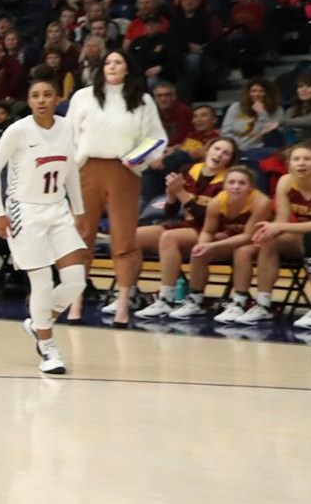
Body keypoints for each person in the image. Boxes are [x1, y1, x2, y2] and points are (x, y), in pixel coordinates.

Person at [0, 79, 91, 375]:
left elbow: (70, 170)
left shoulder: (67, 127)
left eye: (47, 94)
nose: (42, 100)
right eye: (35, 95)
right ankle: (48, 350)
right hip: (24, 210)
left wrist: (79, 209)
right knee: (42, 283)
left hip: (57, 209)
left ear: (58, 98)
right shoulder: (18, 130)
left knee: (75, 281)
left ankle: (38, 322)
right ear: (29, 101)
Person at [68, 49, 166, 325]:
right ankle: (75, 303)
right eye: (108, 62)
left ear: (127, 69)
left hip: (124, 172)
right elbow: (70, 136)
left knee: (124, 239)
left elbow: (157, 138)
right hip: (86, 170)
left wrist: (137, 158)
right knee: (81, 235)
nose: (112, 66)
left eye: (118, 62)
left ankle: (123, 305)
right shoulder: (83, 97)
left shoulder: (142, 100)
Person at [236, 143, 311, 329]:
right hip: (304, 236)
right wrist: (269, 230)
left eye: (307, 159)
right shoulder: (285, 181)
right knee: (270, 240)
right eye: (296, 159)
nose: (301, 163)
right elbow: (282, 221)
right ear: (288, 164)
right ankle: (263, 304)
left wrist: (278, 226)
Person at [142, 136, 240, 319]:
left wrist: (181, 192)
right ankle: (130, 295)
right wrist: (171, 194)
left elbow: (207, 217)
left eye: (226, 153)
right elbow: (170, 211)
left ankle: (166, 299)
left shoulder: (230, 181)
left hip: (215, 230)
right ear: (207, 149)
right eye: (217, 148)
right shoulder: (189, 170)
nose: (219, 154)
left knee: (169, 238)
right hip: (187, 225)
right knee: (133, 237)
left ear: (230, 160)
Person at [190, 166, 273, 325]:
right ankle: (195, 301)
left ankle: (240, 302)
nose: (236, 186)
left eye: (241, 183)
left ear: (250, 187)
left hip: (262, 241)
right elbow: (208, 230)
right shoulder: (217, 201)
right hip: (233, 239)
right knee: (199, 251)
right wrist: (203, 245)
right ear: (224, 185)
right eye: (231, 182)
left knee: (242, 252)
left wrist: (213, 246)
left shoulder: (261, 202)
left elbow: (248, 236)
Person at [221, 79, 282, 148]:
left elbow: (268, 132)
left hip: (258, 150)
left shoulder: (277, 110)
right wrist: (234, 146)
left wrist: (262, 112)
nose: (257, 94)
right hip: (233, 147)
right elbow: (225, 131)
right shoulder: (236, 107)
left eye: (262, 91)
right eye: (253, 91)